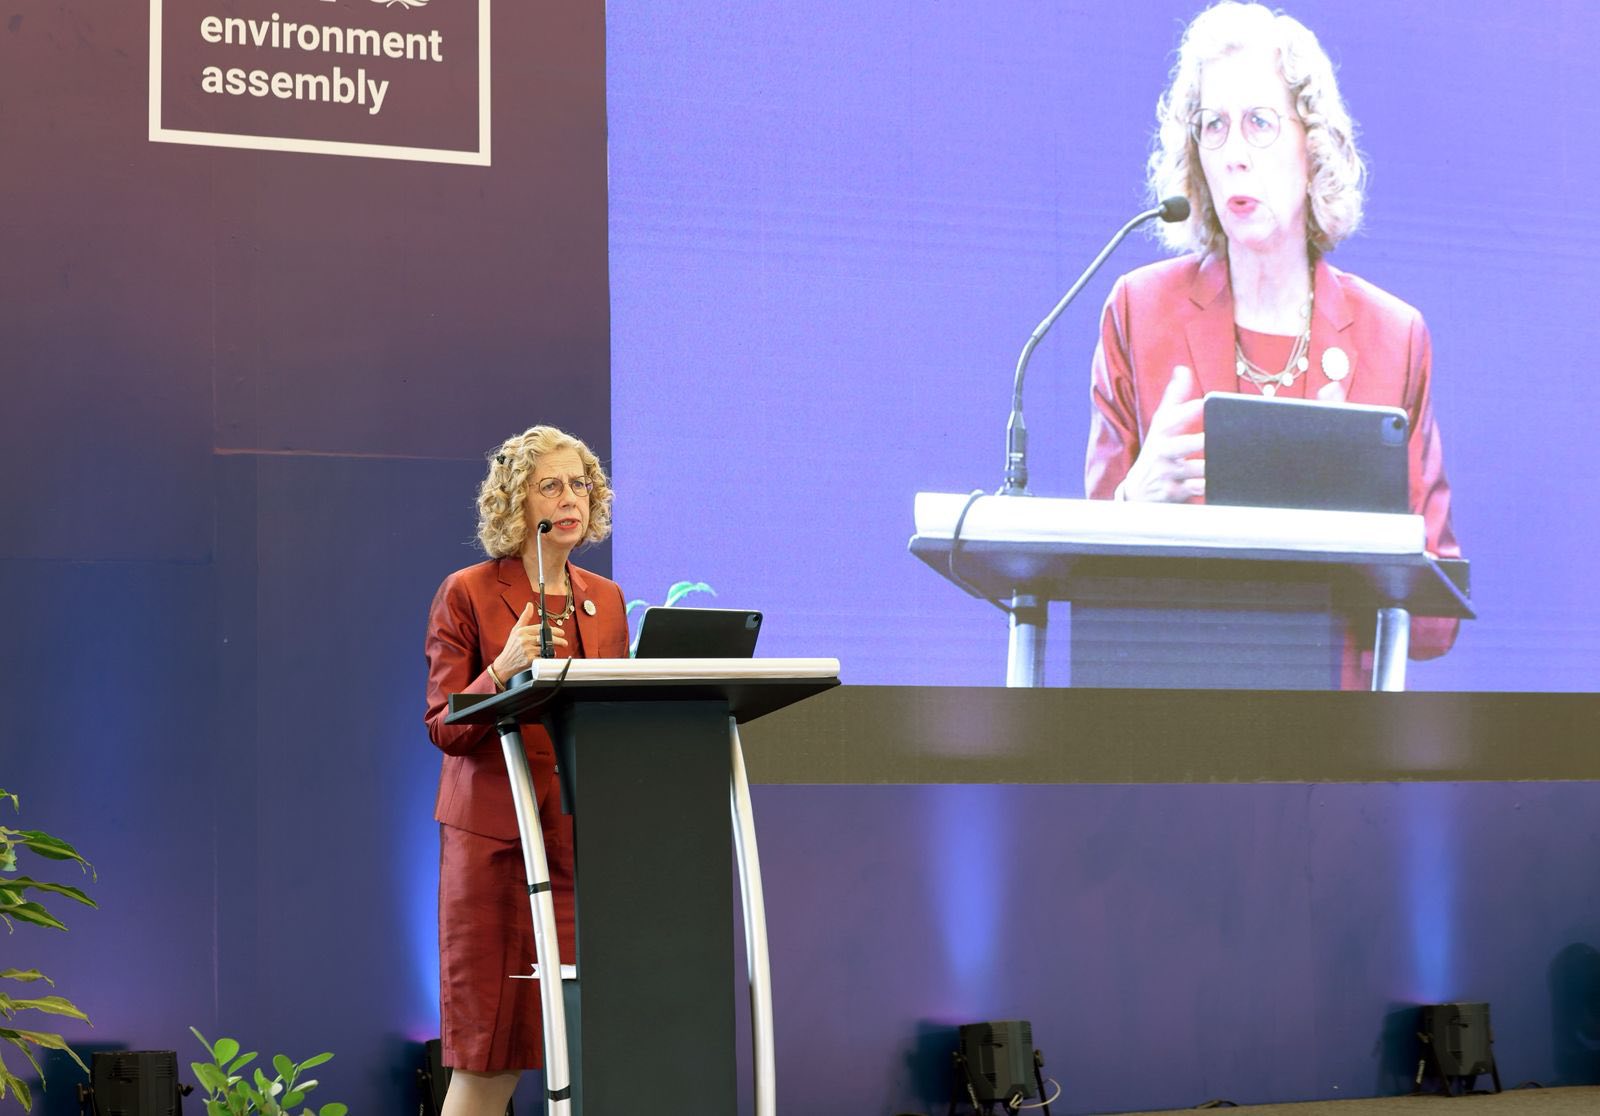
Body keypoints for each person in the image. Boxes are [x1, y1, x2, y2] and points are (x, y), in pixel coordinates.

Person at [1085, 0, 1459, 679]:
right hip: (1168, 714)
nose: (1233, 154)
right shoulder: (1140, 313)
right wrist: (1134, 505)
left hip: (1327, 731)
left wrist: (1364, 533)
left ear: (1312, 149)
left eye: (1259, 123)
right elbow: (1080, 583)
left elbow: (1435, 625)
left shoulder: (1392, 337)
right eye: (1214, 126)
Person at [423, 425, 628, 1116]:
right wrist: (502, 668)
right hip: (498, 854)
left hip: (581, 849)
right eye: (551, 486)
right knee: (492, 1059)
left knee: (591, 1048)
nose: (571, 499)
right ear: (517, 504)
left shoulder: (607, 597)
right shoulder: (468, 592)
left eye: (580, 485)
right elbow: (444, 726)